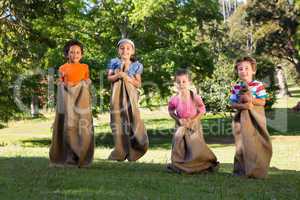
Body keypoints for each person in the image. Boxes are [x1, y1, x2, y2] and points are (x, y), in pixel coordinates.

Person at [49, 40, 94, 167]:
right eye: (72, 52)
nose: (75, 54)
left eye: (78, 52)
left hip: (80, 99)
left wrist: (86, 83)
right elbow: (60, 82)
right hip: (68, 99)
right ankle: (67, 155)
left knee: (81, 125)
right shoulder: (63, 68)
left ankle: (82, 154)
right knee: (68, 126)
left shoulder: (84, 67)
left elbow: (86, 80)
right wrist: (62, 83)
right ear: (67, 54)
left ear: (82, 55)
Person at [167, 68, 219, 173]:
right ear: (175, 84)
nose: (181, 84)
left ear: (189, 82)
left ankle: (202, 164)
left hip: (194, 125)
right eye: (178, 82)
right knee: (179, 145)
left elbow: (202, 109)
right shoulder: (174, 99)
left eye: (184, 81)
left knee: (195, 147)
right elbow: (171, 110)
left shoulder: (194, 97)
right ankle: (180, 165)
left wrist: (193, 120)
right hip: (181, 125)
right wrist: (178, 119)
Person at [230, 56, 272, 178]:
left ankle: (257, 170)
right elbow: (232, 103)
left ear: (253, 70)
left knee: (256, 143)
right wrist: (242, 106)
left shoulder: (258, 85)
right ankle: (241, 170)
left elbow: (262, 102)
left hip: (256, 118)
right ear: (237, 72)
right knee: (241, 144)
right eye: (240, 69)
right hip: (241, 119)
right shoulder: (236, 87)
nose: (244, 71)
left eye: (247, 68)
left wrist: (251, 100)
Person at [107, 38, 148, 161]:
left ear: (132, 51)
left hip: (130, 96)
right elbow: (109, 78)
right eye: (122, 48)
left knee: (132, 120)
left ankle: (135, 149)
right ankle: (119, 150)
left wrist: (127, 77)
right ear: (118, 50)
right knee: (118, 121)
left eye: (128, 48)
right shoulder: (114, 62)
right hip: (117, 96)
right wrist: (118, 75)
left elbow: (138, 83)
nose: (125, 50)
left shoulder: (136, 65)